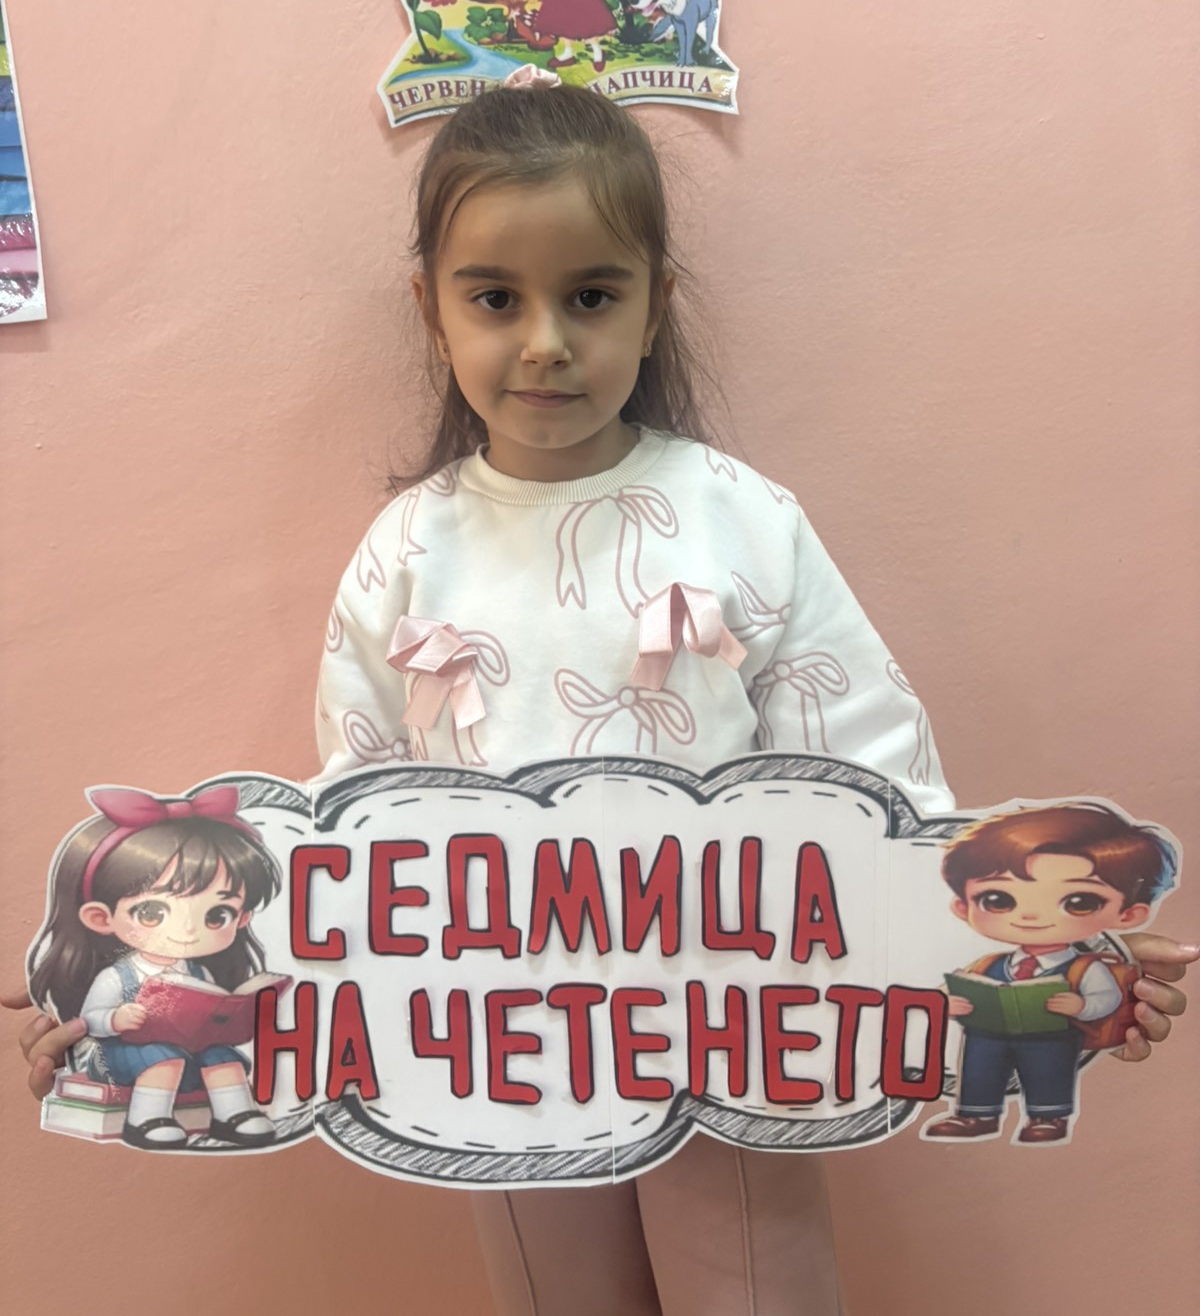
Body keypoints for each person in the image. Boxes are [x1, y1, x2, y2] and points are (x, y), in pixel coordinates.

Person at [7, 71, 1195, 1313]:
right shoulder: (405, 551)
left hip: (737, 1030)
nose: (544, 340)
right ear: (431, 310)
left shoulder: (741, 519)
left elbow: (871, 777)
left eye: (590, 295)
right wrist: (136, 970)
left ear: (653, 302)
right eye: (494, 297)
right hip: (491, 1048)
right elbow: (350, 834)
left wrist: (1039, 938)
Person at [26, 784, 282, 1149]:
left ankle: (234, 1114)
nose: (187, 930)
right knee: (160, 1058)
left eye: (217, 915)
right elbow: (89, 1019)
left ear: (241, 919)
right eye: (152, 912)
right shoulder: (117, 976)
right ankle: (147, 1118)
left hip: (188, 1055)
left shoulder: (200, 973)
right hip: (119, 1057)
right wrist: (114, 1019)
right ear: (101, 918)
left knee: (223, 1057)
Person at [925, 803, 1178, 1145]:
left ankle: (1047, 1116)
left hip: (1051, 1034)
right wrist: (949, 1004)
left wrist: (1082, 1007)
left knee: (1048, 1070)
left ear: (1128, 915)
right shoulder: (987, 964)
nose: (1030, 916)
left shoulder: (1086, 967)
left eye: (1079, 902)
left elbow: (1106, 997)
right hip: (989, 1034)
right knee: (979, 1065)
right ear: (962, 906)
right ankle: (975, 1114)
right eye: (998, 899)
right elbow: (945, 992)